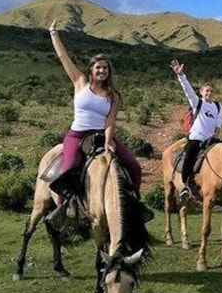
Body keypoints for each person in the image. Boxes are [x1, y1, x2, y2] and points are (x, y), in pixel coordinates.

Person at [46, 19, 152, 222]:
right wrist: (53, 33)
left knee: (134, 167)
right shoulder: (80, 82)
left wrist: (108, 141)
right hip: (77, 135)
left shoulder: (114, 95)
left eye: (105, 68)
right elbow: (63, 57)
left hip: (101, 135)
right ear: (91, 70)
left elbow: (110, 121)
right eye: (98, 68)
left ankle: (136, 204)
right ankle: (60, 209)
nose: (102, 71)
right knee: (68, 169)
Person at [170, 58, 222, 202]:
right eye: (207, 91)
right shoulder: (197, 103)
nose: (209, 93)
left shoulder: (218, 107)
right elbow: (187, 90)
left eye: (211, 91)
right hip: (196, 138)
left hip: (210, 140)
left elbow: (218, 125)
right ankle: (186, 186)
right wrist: (181, 76)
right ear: (201, 93)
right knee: (189, 158)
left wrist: (215, 138)